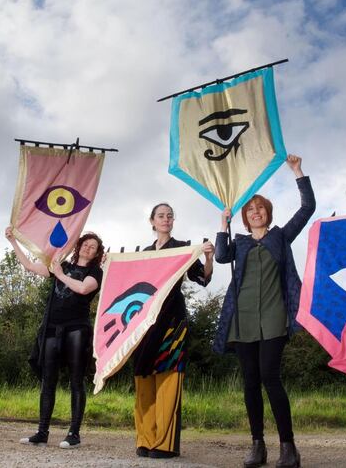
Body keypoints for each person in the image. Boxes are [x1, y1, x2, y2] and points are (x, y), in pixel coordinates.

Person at [212, 154, 315, 468]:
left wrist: (298, 171)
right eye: (250, 210)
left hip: (273, 316)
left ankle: (288, 447)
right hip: (241, 320)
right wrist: (223, 225)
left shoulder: (280, 236)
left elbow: (307, 208)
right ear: (245, 217)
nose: (255, 212)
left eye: (260, 208)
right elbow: (219, 257)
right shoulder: (240, 243)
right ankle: (257, 444)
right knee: (249, 381)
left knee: (271, 377)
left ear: (268, 212)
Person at [6, 227, 104, 449]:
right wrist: (14, 241)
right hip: (52, 327)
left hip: (77, 329)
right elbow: (30, 266)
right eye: (86, 244)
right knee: (47, 380)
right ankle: (42, 432)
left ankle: (74, 434)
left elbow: (82, 288)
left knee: (76, 380)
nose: (88, 248)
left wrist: (60, 275)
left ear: (97, 253)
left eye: (93, 247)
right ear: (79, 246)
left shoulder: (96, 272)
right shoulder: (64, 265)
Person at [133, 202, 214, 459]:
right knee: (143, 376)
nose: (166, 219)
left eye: (169, 215)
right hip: (144, 323)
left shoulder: (182, 248)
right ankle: (145, 439)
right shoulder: (143, 253)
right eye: (161, 215)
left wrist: (208, 257)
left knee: (167, 379)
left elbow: (202, 278)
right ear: (152, 222)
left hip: (172, 322)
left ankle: (164, 443)